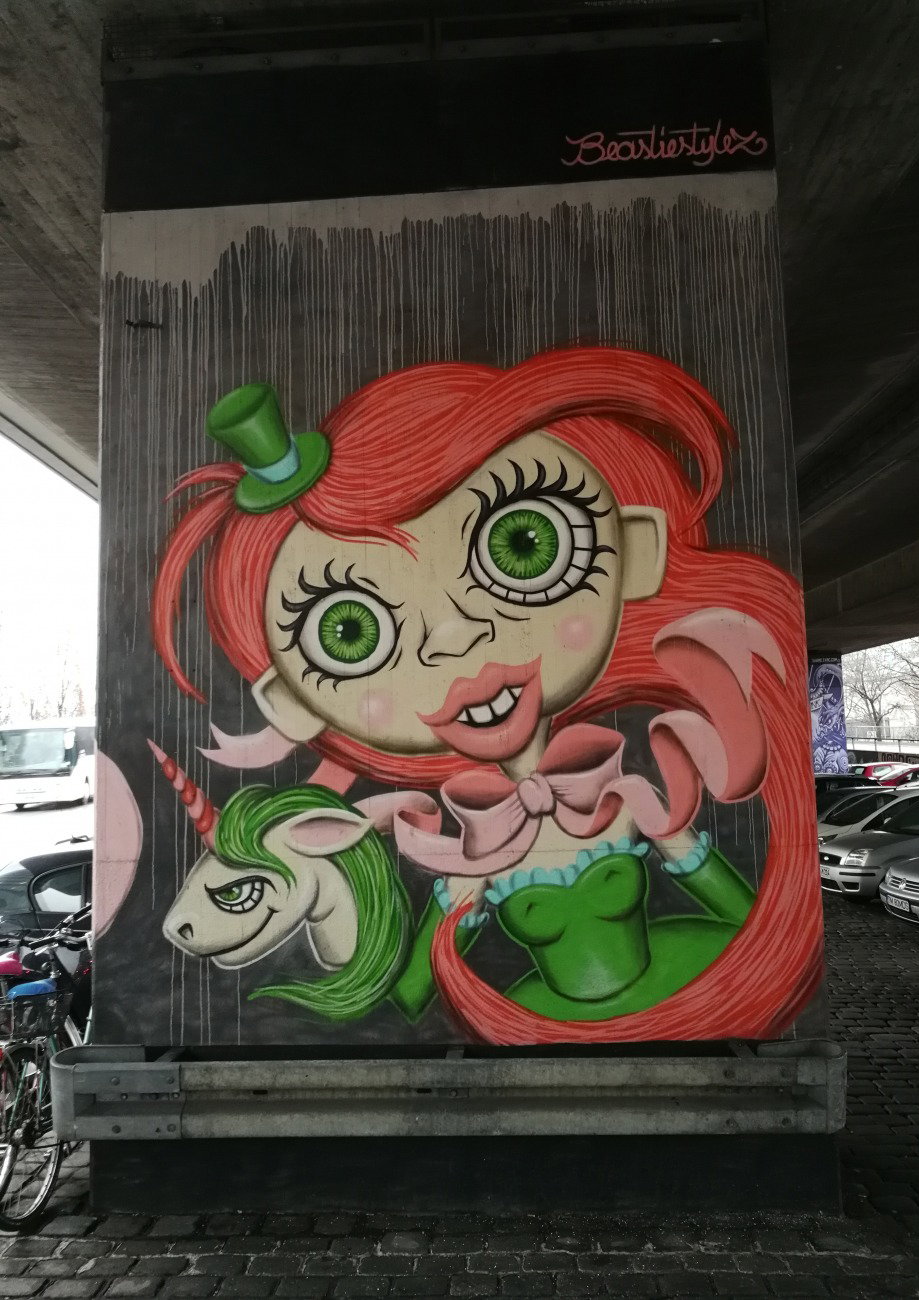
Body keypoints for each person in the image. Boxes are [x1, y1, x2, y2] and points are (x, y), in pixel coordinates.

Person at [152, 347, 821, 1042]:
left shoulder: (628, 800)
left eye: (524, 543)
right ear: (292, 702)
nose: (456, 634)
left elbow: (757, 927)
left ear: (635, 547)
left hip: (700, 986)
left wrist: (678, 843)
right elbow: (410, 1000)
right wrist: (444, 909)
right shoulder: (469, 854)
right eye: (349, 631)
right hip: (546, 1027)